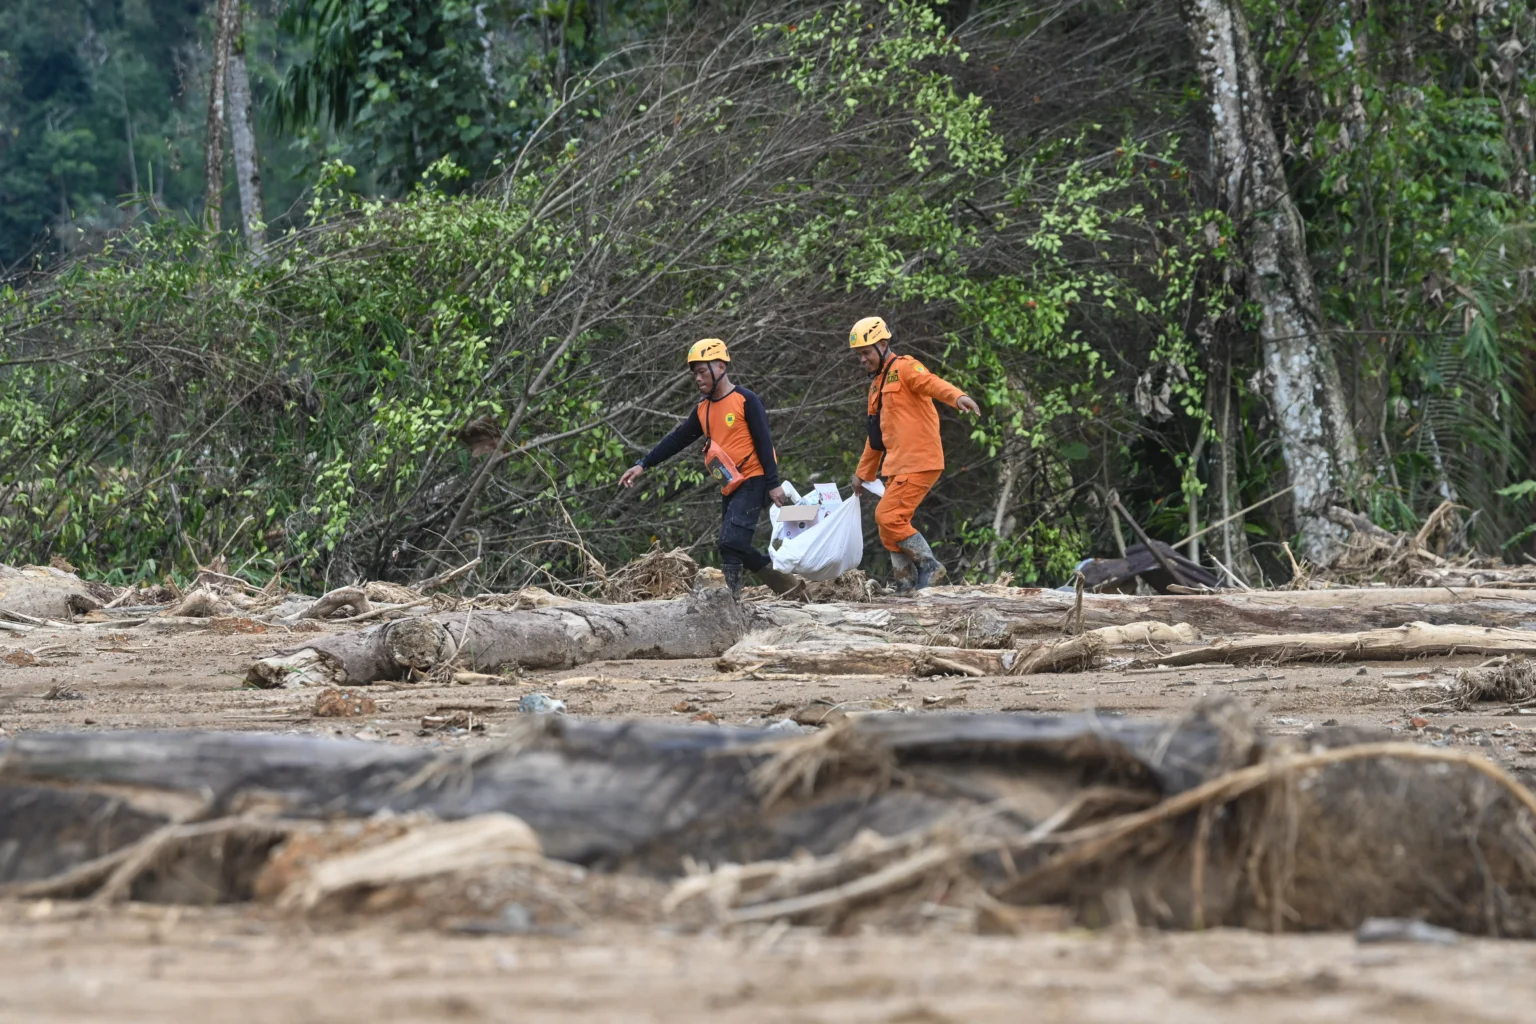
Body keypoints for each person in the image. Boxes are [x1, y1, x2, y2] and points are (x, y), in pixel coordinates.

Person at [619, 339, 806, 598]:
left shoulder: (745, 400)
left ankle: (768, 589)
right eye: (695, 373)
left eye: (702, 371)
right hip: (730, 484)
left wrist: (773, 482)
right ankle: (757, 594)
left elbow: (764, 442)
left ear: (720, 367)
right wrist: (643, 464)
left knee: (731, 541)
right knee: (730, 547)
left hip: (756, 478)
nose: (697, 378)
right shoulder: (703, 409)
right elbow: (677, 439)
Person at [848, 316, 981, 591]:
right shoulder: (875, 387)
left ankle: (931, 567)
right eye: (858, 355)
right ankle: (905, 583)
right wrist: (862, 474)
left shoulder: (906, 367)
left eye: (865, 352)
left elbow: (932, 383)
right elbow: (875, 439)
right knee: (889, 525)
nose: (862, 359)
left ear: (883, 345)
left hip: (920, 460)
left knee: (888, 517)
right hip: (896, 465)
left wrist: (958, 397)